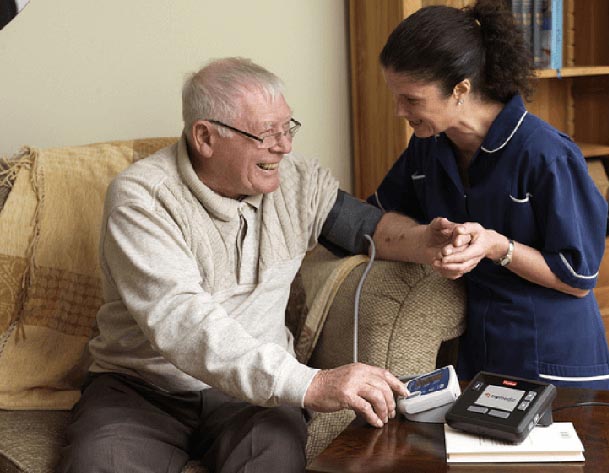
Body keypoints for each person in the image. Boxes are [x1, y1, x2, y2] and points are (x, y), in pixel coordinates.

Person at [58, 57, 464, 473]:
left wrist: (423, 242)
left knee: (271, 460)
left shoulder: (297, 180)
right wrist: (311, 383)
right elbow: (182, 323)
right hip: (142, 390)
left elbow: (366, 227)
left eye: (287, 128)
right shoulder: (141, 198)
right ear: (205, 137)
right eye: (267, 133)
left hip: (254, 399)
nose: (284, 146)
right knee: (99, 464)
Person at [368, 1, 609, 391]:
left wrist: (497, 246)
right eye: (396, 96)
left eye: (412, 100)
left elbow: (579, 277)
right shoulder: (429, 147)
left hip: (553, 355)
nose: (400, 110)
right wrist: (423, 239)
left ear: (460, 89)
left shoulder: (546, 154)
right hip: (479, 352)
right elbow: (380, 214)